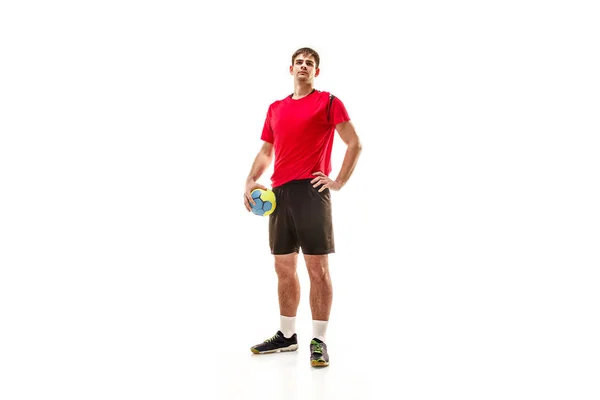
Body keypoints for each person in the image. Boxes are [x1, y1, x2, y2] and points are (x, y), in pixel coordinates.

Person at [243, 47, 362, 368]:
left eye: (310, 63)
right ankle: (287, 335)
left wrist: (338, 181)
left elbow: (354, 143)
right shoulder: (276, 108)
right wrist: (250, 180)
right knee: (283, 267)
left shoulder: (328, 102)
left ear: (316, 72)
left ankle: (319, 340)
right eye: (300, 62)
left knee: (317, 270)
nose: (304, 66)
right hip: (278, 195)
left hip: (312, 192)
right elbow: (267, 151)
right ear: (291, 69)